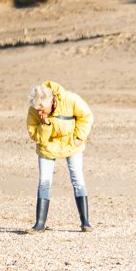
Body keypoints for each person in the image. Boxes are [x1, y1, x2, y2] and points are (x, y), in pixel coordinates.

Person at [26, 81, 94, 232]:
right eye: (37, 109)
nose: (39, 112)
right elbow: (36, 137)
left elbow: (86, 117)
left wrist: (79, 137)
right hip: (47, 147)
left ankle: (85, 222)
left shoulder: (70, 99)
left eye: (42, 109)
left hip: (71, 144)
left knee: (77, 179)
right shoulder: (34, 110)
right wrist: (45, 125)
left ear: (51, 101)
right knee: (44, 182)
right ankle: (39, 224)